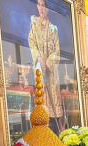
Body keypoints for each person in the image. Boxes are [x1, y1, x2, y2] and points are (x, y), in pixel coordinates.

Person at [28, 0, 64, 134]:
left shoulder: (53, 28)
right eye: (39, 5)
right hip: (39, 66)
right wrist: (39, 58)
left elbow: (57, 51)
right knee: (40, 93)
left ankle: (55, 131)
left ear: (48, 9)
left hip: (51, 71)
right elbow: (31, 42)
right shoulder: (33, 23)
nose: (41, 8)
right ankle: (41, 130)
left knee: (52, 96)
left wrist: (47, 63)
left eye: (43, 6)